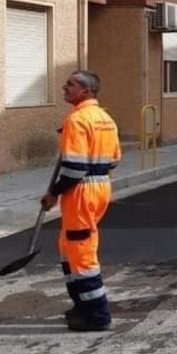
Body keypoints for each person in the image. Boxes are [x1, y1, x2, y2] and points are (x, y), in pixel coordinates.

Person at [41, 70, 121, 332]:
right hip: (99, 187)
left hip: (81, 192)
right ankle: (81, 306)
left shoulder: (77, 119)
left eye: (71, 84)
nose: (65, 87)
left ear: (86, 91)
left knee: (81, 252)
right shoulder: (105, 119)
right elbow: (114, 160)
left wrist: (53, 192)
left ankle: (97, 315)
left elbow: (74, 168)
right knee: (69, 245)